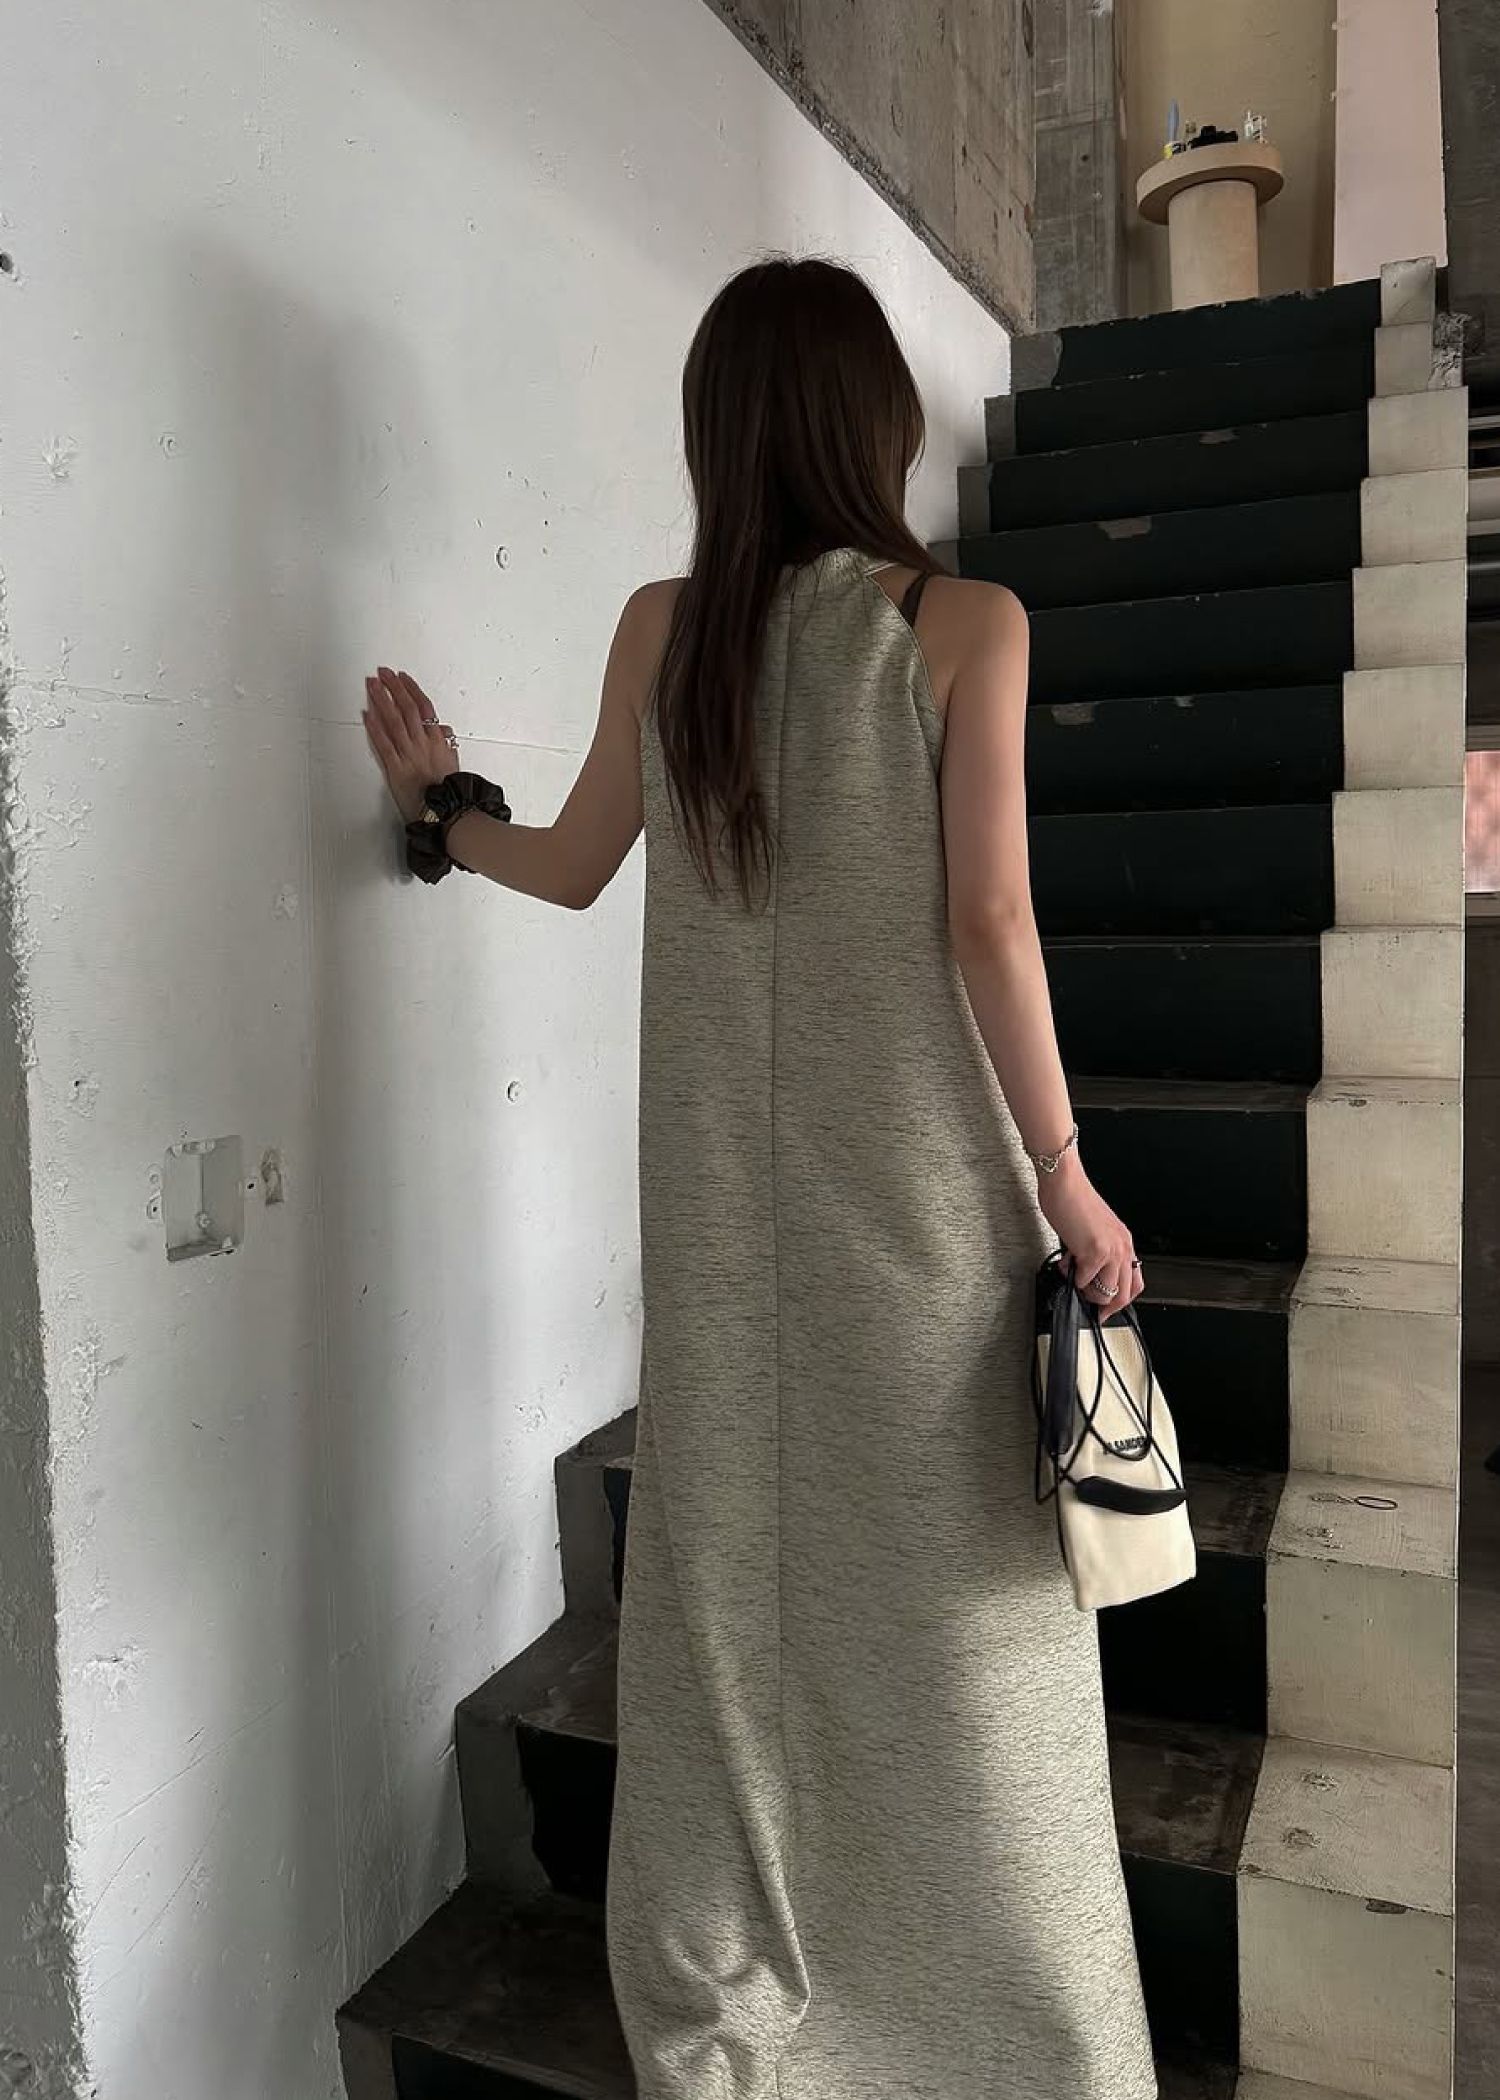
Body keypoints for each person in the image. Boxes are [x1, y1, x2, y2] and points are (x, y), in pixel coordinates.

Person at [363, 256, 1156, 2100]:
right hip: (928, 1221)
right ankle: (1015, 2031)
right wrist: (1069, 1179)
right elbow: (991, 922)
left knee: (732, 1622)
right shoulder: (966, 624)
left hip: (728, 1240)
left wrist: (440, 810)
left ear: (719, 437)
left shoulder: (671, 632)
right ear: (875, 421)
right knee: (974, 1629)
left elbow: (573, 864)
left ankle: (747, 1987)